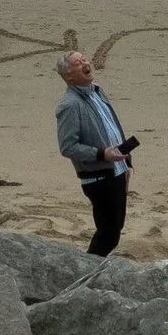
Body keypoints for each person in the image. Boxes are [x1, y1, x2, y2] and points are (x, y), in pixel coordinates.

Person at [55, 50, 134, 257]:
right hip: (98, 177)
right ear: (69, 76)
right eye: (77, 63)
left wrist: (127, 164)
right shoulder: (69, 105)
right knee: (108, 233)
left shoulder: (97, 91)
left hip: (116, 170)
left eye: (84, 60)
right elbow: (67, 147)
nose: (84, 63)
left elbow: (111, 126)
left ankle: (89, 268)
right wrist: (102, 154)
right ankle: (86, 271)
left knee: (114, 230)